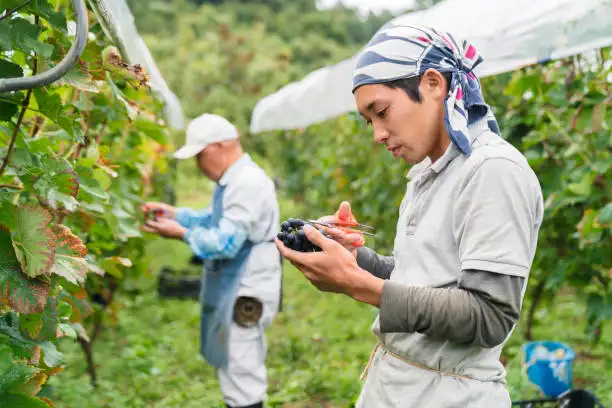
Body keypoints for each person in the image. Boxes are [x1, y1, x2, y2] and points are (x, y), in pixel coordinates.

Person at [276, 24, 544, 407]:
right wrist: (356, 260)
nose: (378, 134)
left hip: (449, 395)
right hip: (399, 384)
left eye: (381, 111)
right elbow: (423, 280)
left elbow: (488, 315)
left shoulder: (493, 171)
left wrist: (359, 285)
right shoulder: (426, 174)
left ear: (433, 83)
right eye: (370, 121)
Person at [143, 113, 281, 408]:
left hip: (247, 288)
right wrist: (175, 214)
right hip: (240, 284)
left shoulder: (247, 183)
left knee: (241, 367)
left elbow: (225, 242)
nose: (199, 164)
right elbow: (213, 219)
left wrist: (180, 233)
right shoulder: (235, 182)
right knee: (235, 364)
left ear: (221, 146)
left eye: (201, 155)